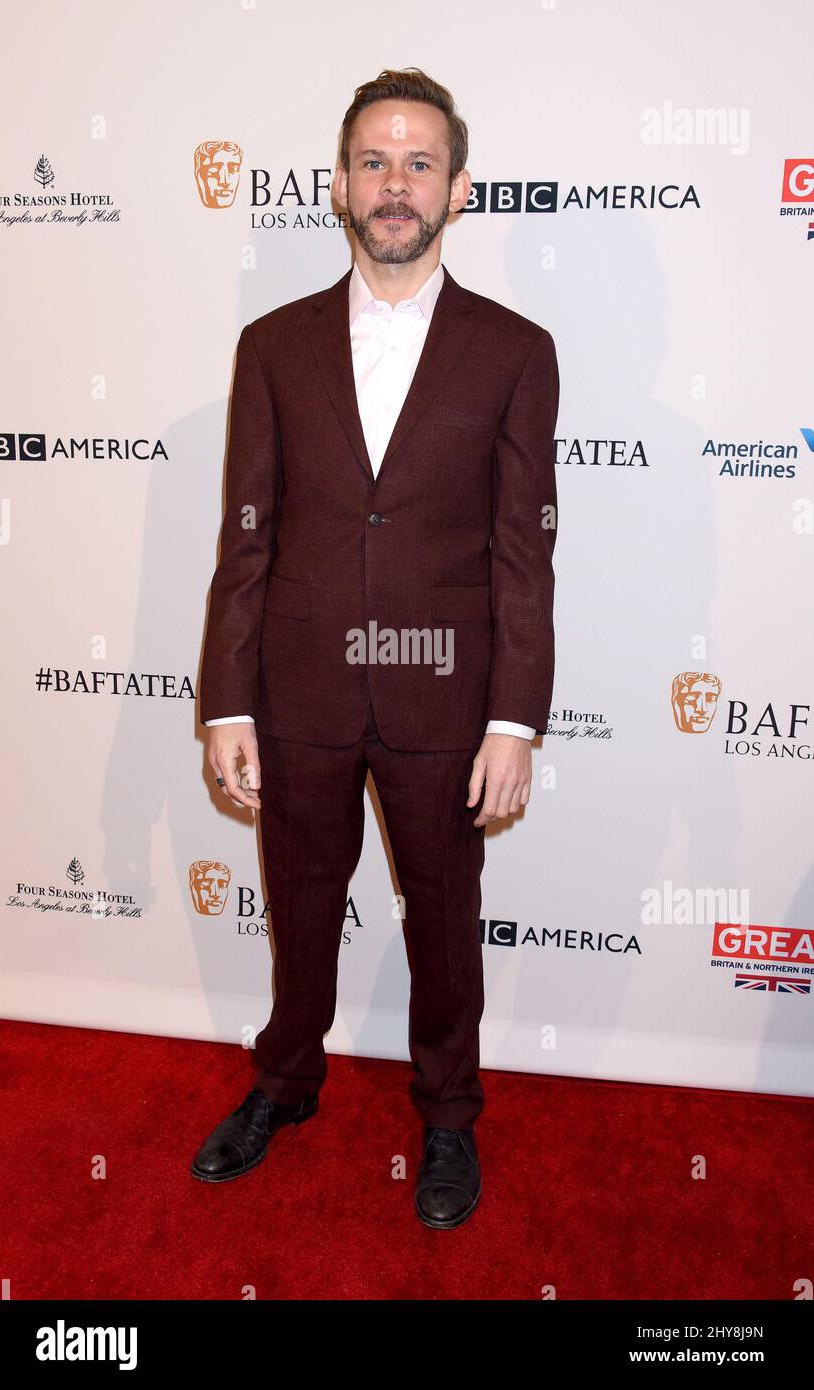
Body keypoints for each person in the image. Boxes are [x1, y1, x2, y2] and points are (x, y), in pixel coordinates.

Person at [190, 67, 560, 1230]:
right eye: (373, 161)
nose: (393, 185)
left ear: (457, 187)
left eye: (417, 162)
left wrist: (514, 719)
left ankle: (448, 1113)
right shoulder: (272, 345)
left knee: (444, 916)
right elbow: (244, 534)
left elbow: (521, 554)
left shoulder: (515, 350)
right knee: (298, 906)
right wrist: (226, 699)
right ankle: (285, 1079)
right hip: (295, 689)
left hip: (446, 699)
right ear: (339, 184)